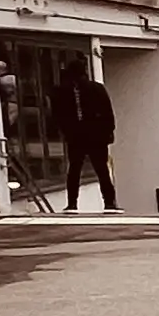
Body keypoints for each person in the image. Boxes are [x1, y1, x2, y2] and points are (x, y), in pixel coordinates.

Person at [62, 65, 118, 212]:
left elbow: (107, 113)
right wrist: (108, 132)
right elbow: (108, 112)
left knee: (78, 169)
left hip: (84, 136)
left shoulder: (70, 91)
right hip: (92, 136)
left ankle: (73, 203)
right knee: (99, 169)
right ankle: (109, 202)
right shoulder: (92, 89)